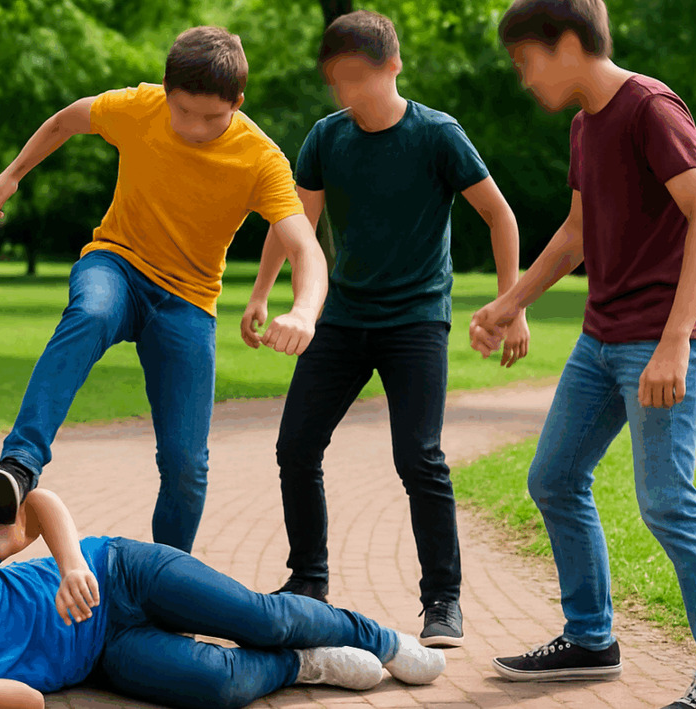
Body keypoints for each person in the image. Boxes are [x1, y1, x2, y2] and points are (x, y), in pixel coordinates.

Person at [469, 2, 696, 708]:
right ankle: (591, 636)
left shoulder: (649, 108)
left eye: (526, 61)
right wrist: (512, 302)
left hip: (661, 342)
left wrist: (673, 340)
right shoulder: (584, 124)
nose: (524, 78)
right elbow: (576, 232)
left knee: (667, 503)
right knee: (555, 477)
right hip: (601, 339)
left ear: (567, 44)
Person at [0, 26, 328, 552]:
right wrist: (13, 173)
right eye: (183, 111)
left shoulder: (261, 159)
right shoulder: (139, 106)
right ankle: (20, 466)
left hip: (187, 302)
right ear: (165, 90)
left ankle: (166, 578)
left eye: (214, 117)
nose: (195, 128)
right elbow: (66, 120)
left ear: (238, 102)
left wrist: (303, 310)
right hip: (115, 265)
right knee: (91, 314)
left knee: (187, 464)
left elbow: (305, 246)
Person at [244, 10, 529, 649]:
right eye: (338, 80)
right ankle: (309, 582)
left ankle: (443, 603)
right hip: (342, 319)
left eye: (358, 77)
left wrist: (513, 306)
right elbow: (296, 225)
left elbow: (499, 216)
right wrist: (262, 294)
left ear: (392, 66)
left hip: (416, 321)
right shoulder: (327, 137)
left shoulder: (438, 136)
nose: (348, 92)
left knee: (419, 457)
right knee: (296, 447)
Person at [0, 488, 448, 709]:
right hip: (104, 651)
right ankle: (305, 665)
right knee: (220, 687)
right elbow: (27, 702)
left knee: (258, 616)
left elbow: (40, 503)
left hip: (117, 571)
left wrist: (70, 566)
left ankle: (381, 639)